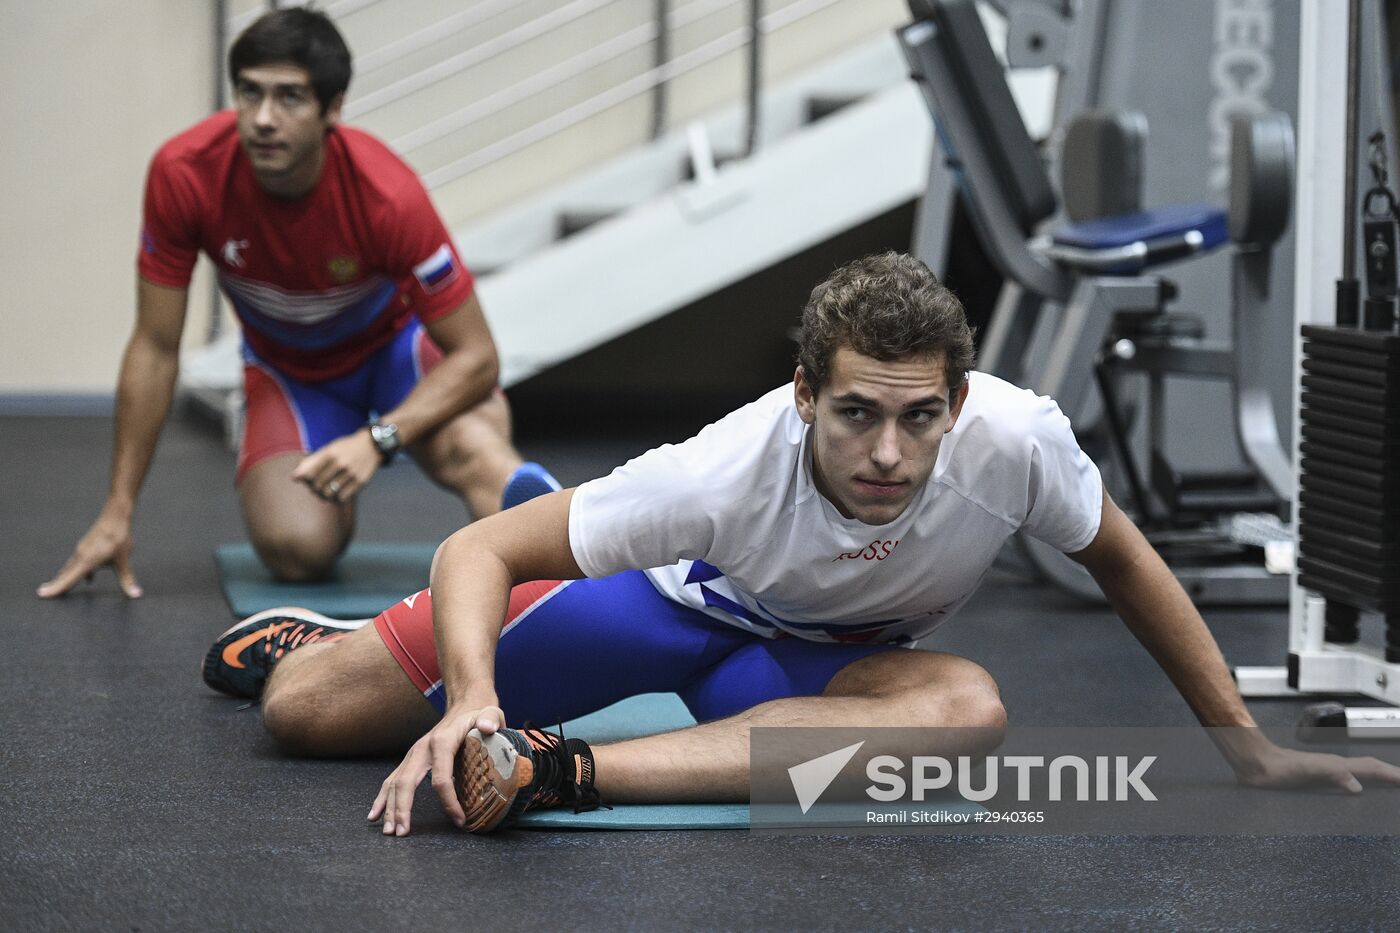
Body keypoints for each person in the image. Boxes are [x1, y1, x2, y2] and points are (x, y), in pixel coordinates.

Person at [202, 252, 1400, 835]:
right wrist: (470, 698)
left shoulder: (1015, 442)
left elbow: (1124, 560)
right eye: (855, 414)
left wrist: (1242, 748)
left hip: (804, 665)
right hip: (659, 609)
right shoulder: (715, 472)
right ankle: (327, 641)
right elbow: (480, 551)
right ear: (803, 397)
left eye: (917, 418)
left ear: (957, 403)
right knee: (302, 717)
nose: (887, 453)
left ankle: (554, 771)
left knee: (967, 714)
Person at [37, 8, 557, 599]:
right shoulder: (185, 174)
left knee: (477, 452)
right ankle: (333, 491)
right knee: (295, 549)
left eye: (290, 97)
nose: (263, 118)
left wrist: (378, 439)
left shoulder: (387, 196)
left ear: (332, 109)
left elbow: (478, 357)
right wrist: (117, 509)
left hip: (396, 355)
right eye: (250, 92)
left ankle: (570, 568)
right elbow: (155, 348)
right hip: (291, 373)